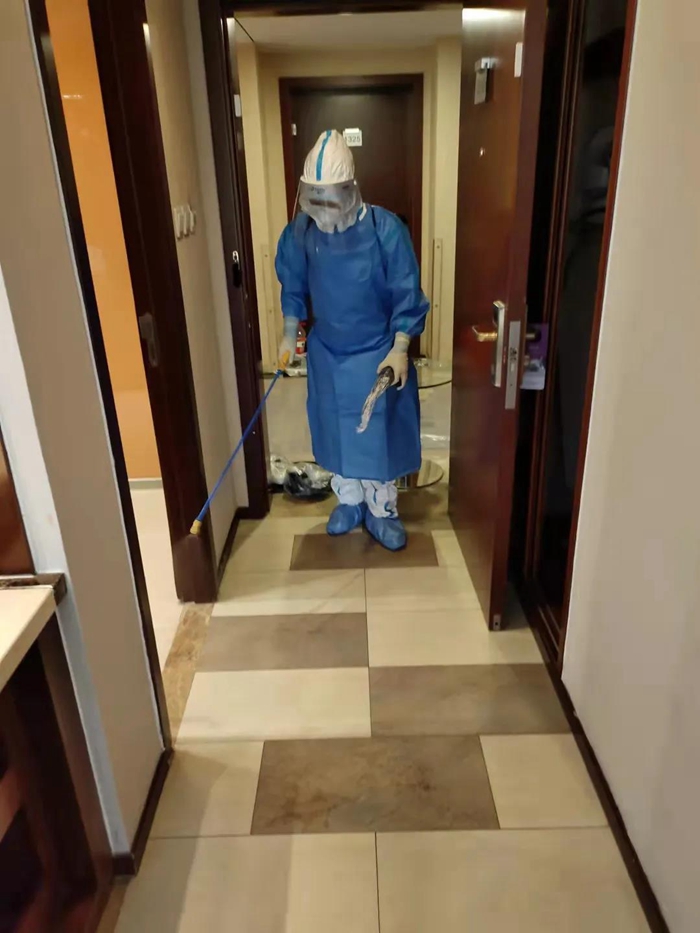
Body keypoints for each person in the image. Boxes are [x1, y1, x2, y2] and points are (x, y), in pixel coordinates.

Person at [275, 129, 429, 551]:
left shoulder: (384, 230)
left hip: (377, 353)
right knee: (336, 431)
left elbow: (406, 290)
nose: (322, 210)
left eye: (330, 199)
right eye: (315, 199)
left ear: (349, 190)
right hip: (327, 355)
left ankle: (382, 510)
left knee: (376, 437)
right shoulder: (302, 233)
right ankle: (349, 501)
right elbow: (293, 283)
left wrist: (401, 348)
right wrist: (289, 334)